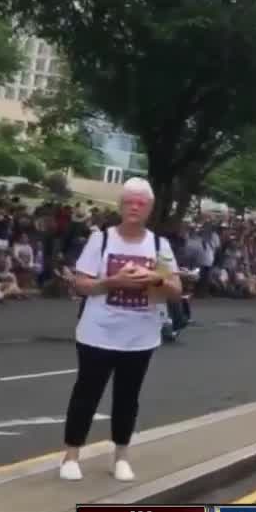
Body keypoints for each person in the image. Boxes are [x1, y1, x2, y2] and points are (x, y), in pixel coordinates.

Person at [60, 179, 181, 482]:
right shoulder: (101, 240)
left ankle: (121, 455)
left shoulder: (158, 245)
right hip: (97, 332)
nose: (134, 207)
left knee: (128, 397)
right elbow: (80, 283)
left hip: (139, 336)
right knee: (86, 394)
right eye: (129, 201)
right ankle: (71, 455)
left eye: (141, 203)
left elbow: (175, 289)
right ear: (120, 205)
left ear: (150, 209)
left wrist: (153, 278)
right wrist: (113, 282)